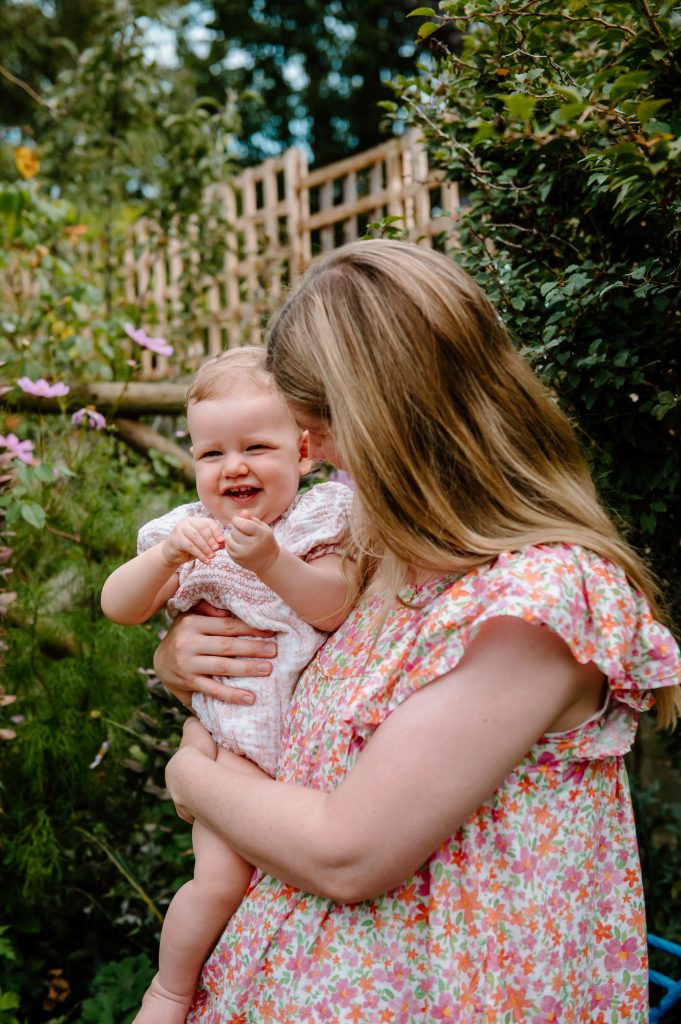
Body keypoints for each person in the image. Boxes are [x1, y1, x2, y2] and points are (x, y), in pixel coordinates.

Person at [154, 239, 681, 1024]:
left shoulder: (538, 602)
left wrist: (188, 776)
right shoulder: (391, 554)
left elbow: (347, 852)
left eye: (316, 431)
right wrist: (180, 658)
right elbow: (300, 659)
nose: (316, 458)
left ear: (382, 416)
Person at [101, 346, 354, 1024]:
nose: (232, 466)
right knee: (216, 882)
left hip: (303, 762)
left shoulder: (317, 523)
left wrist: (273, 563)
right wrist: (163, 558)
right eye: (211, 454)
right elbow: (118, 607)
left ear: (304, 453)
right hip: (231, 744)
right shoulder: (190, 533)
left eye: (255, 446)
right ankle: (169, 992)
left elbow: (331, 607)